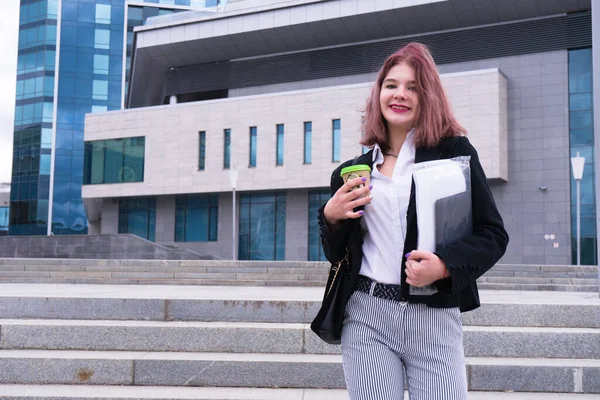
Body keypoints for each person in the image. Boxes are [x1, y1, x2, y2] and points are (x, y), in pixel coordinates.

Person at [317, 42, 509, 399]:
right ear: (378, 94)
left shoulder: (454, 154)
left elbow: (493, 234)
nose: (399, 94)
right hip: (366, 313)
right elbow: (336, 254)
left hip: (432, 314)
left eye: (413, 87)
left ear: (428, 96)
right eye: (391, 85)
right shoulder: (351, 172)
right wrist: (330, 218)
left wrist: (444, 266)